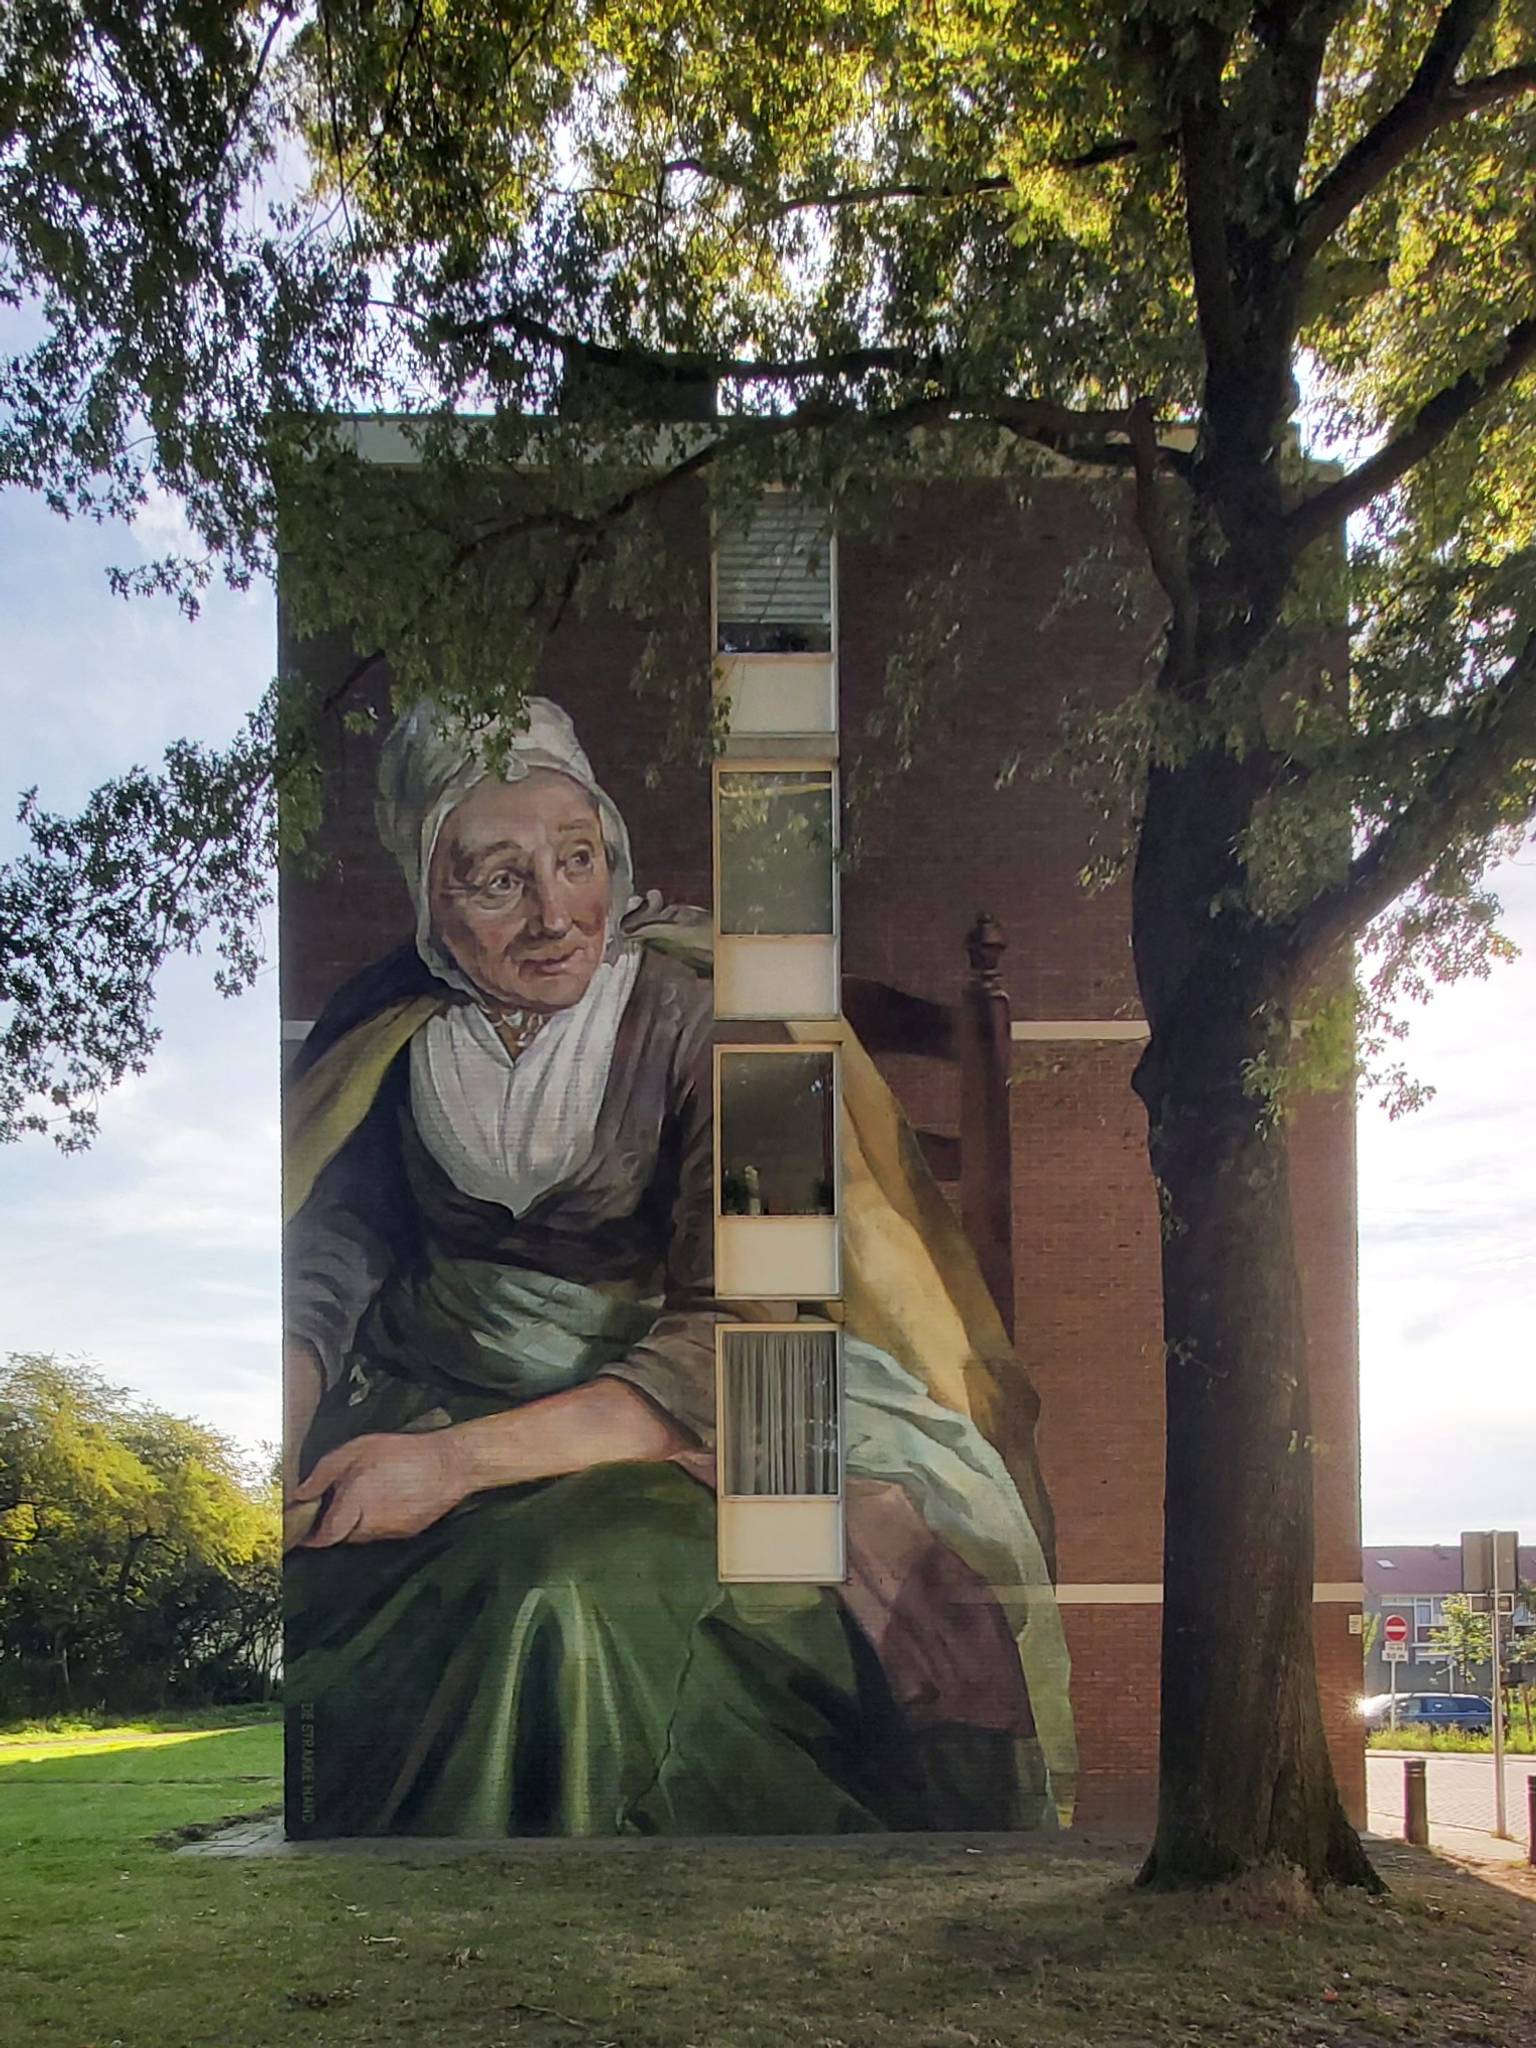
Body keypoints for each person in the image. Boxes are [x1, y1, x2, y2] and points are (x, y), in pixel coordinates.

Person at [282, 696, 1075, 1836]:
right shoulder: (386, 1026)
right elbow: (333, 1251)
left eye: (577, 858)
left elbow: (743, 1339)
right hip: (429, 1385)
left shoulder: (747, 1032)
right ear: (425, 891)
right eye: (498, 879)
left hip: (701, 1417)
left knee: (554, 1595)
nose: (557, 913)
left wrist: (452, 1464)